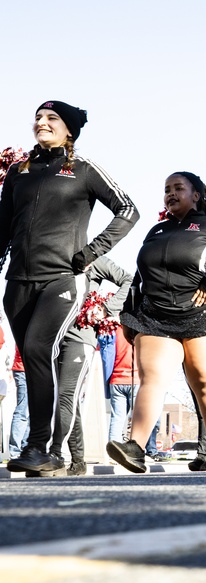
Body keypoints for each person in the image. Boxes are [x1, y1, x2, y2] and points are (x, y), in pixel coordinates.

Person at [1, 101, 139, 475]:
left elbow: (128, 210)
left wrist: (91, 252)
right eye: (38, 118)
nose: (41, 123)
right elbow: (3, 227)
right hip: (17, 282)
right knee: (32, 362)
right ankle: (43, 451)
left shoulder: (83, 169)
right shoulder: (18, 171)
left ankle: (39, 446)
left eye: (52, 119)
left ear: (70, 131)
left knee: (37, 348)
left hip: (62, 279)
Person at [107, 171, 206, 473]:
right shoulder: (156, 231)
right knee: (153, 378)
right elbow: (140, 277)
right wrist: (129, 314)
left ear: (196, 195)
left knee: (203, 379)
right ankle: (134, 447)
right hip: (156, 317)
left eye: (178, 188)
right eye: (166, 190)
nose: (170, 194)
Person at [47, 257, 132, 477]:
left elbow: (128, 280)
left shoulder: (92, 259)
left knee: (66, 395)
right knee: (69, 399)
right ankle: (77, 461)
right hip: (51, 338)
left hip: (79, 338)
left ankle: (54, 454)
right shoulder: (52, 260)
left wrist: (106, 308)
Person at [7, 347, 28, 459]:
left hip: (26, 370)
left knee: (29, 413)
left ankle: (26, 448)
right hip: (23, 370)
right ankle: (15, 451)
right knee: (22, 412)